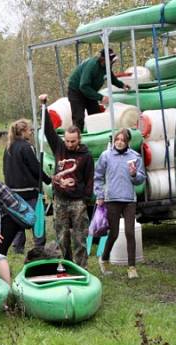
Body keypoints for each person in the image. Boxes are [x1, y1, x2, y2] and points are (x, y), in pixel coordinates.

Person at [39, 94, 94, 268]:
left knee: (80, 237)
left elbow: (90, 179)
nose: (69, 144)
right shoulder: (59, 148)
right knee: (62, 237)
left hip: (77, 201)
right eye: (67, 141)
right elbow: (48, 131)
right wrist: (44, 107)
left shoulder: (85, 156)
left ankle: (81, 268)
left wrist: (85, 199)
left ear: (79, 139)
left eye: (73, 141)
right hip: (60, 200)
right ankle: (67, 264)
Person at [94, 128, 147, 279]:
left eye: (123, 140)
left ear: (128, 142)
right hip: (112, 199)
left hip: (129, 200)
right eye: (117, 139)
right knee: (114, 233)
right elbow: (98, 176)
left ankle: (131, 267)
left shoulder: (135, 157)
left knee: (130, 232)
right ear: (114, 140)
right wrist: (99, 195)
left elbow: (140, 179)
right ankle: (104, 259)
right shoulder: (106, 156)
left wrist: (134, 174)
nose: (119, 142)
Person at [2, 118, 51, 255]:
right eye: (30, 130)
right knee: (37, 218)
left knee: (18, 218)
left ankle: (18, 247)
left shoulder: (8, 147)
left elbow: (4, 169)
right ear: (23, 132)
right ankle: (39, 246)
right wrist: (48, 180)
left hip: (12, 191)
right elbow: (36, 168)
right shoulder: (26, 147)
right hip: (28, 191)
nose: (31, 132)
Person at [67, 48, 130, 131]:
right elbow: (83, 86)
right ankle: (76, 139)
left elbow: (111, 77)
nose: (112, 63)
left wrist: (122, 85)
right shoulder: (92, 65)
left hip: (90, 91)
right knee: (79, 118)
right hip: (76, 91)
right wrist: (101, 97)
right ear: (103, 60)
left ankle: (97, 136)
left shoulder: (106, 66)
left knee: (96, 115)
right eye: (111, 61)